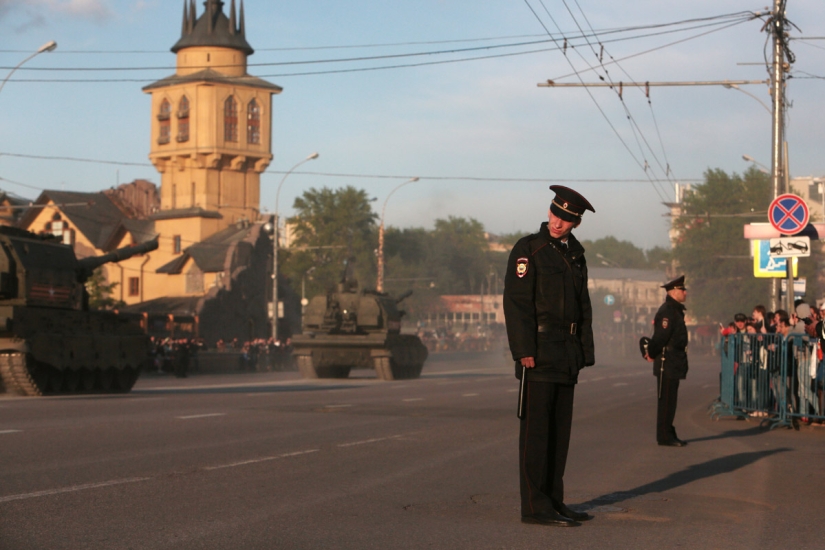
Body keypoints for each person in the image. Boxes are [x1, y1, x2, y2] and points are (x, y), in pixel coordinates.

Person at [503, 185, 595, 528]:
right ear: (549, 210)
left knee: (560, 434)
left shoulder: (576, 254)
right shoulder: (529, 249)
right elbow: (516, 302)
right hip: (539, 353)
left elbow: (582, 306)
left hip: (567, 354)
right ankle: (534, 506)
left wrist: (584, 350)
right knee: (537, 434)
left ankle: (554, 500)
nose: (558, 222)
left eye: (567, 219)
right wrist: (524, 349)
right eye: (556, 214)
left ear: (576, 223)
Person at [645, 275, 689, 447]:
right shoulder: (668, 311)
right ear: (674, 292)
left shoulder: (675, 310)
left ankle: (668, 432)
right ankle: (664, 436)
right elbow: (660, 337)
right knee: (666, 401)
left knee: (671, 401)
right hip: (667, 361)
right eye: (682, 290)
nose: (685, 292)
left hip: (674, 360)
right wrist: (651, 353)